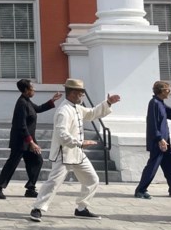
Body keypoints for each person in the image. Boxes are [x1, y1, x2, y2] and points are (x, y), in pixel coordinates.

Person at [29, 78, 120, 222]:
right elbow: (62, 134)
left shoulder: (77, 107)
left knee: (92, 179)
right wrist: (80, 143)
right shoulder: (63, 111)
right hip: (64, 153)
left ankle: (81, 208)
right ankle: (37, 209)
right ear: (72, 93)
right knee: (53, 183)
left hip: (77, 153)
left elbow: (91, 113)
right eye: (81, 92)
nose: (83, 95)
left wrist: (108, 103)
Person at [0, 79, 61, 200]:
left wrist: (52, 100)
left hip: (28, 140)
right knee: (12, 164)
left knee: (37, 161)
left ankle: (30, 188)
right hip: (20, 141)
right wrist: (31, 143)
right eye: (32, 88)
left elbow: (39, 108)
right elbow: (22, 126)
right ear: (25, 90)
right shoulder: (21, 104)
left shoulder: (27, 102)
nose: (34, 90)